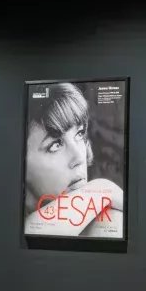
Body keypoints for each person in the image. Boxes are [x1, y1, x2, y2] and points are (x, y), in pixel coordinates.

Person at [23, 82, 125, 238]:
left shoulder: (108, 219)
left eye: (79, 133)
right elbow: (30, 232)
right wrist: (103, 189)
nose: (79, 157)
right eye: (55, 145)